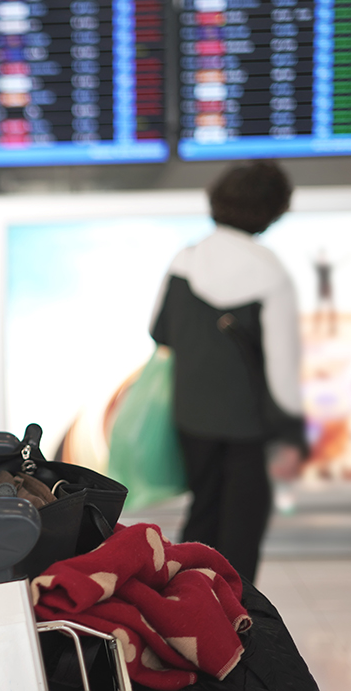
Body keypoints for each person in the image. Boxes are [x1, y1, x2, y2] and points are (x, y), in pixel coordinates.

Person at [149, 161, 307, 583]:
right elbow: (282, 367)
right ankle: (234, 623)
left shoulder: (186, 258)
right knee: (242, 528)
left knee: (202, 514)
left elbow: (159, 331)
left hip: (192, 416)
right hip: (250, 427)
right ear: (274, 208)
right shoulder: (271, 273)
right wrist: (292, 433)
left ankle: (185, 611)